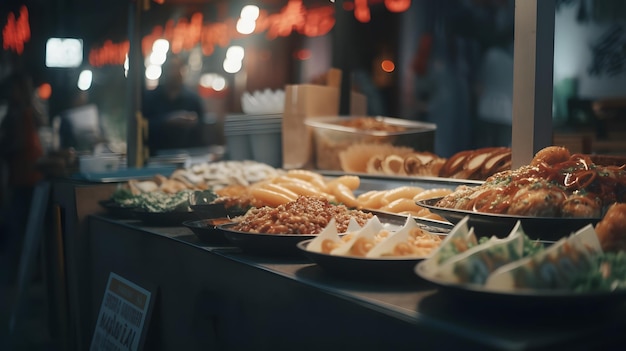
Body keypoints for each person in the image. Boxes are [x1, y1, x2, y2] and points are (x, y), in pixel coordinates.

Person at [0, 71, 46, 283]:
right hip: (25, 177)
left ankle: (20, 274)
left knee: (22, 227)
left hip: (27, 177)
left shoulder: (21, 114)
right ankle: (23, 273)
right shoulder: (20, 112)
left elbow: (20, 144)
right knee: (22, 226)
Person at [142, 54, 207, 156]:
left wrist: (193, 122)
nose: (174, 72)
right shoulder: (150, 98)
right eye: (171, 68)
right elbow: (142, 127)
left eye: (178, 68)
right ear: (164, 72)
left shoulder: (192, 99)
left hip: (187, 155)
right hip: (155, 156)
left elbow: (202, 127)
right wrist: (167, 121)